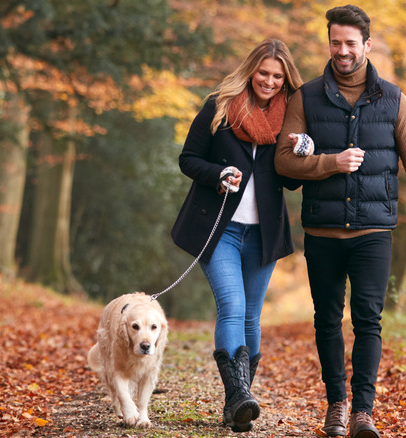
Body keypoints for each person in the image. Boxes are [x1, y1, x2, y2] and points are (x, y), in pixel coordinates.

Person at [274, 5, 406, 438]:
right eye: (336, 42)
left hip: (373, 232)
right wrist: (331, 163)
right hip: (321, 231)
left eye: (351, 43)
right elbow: (282, 163)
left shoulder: (393, 99)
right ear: (329, 43)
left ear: (367, 45)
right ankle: (336, 406)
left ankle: (363, 413)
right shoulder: (306, 98)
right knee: (327, 320)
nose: (343, 51)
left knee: (368, 321)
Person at [171, 39, 303, 433]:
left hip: (264, 234)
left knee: (251, 315)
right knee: (231, 305)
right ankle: (239, 397)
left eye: (278, 76)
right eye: (264, 73)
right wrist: (218, 174)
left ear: (285, 80)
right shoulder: (220, 106)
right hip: (220, 228)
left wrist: (300, 152)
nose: (269, 81)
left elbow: (292, 184)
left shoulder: (291, 119)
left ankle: (237, 402)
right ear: (251, 70)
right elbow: (188, 158)